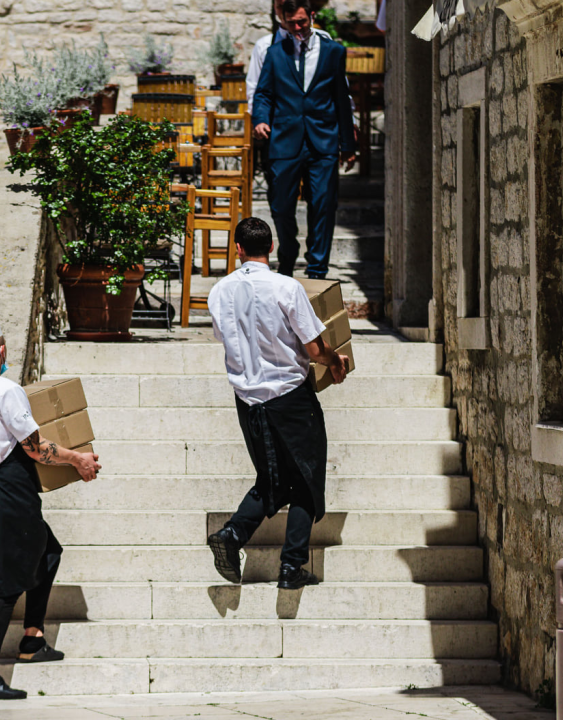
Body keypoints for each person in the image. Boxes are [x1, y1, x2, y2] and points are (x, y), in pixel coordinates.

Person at [0, 289, 102, 700]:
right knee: (7, 581)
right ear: (2, 348)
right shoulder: (5, 390)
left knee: (48, 551)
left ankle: (32, 640)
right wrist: (78, 459)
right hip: (10, 487)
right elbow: (35, 447)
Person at [205, 218, 349, 590]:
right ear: (271, 248)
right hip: (289, 397)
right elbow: (314, 348)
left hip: (248, 402)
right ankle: (290, 567)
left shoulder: (218, 292)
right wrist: (335, 362)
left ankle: (233, 534)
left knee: (273, 480)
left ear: (237, 249)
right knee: (305, 479)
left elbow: (226, 338)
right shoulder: (287, 287)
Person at [253, 0, 357, 279]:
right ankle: (287, 254)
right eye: (291, 23)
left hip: (322, 141)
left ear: (311, 16)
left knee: (324, 204)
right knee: (281, 206)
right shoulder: (274, 53)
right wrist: (261, 119)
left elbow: (341, 100)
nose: (298, 28)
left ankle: (317, 267)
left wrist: (348, 146)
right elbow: (263, 93)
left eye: (302, 22)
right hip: (285, 141)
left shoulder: (334, 52)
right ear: (283, 21)